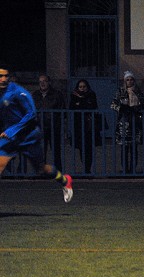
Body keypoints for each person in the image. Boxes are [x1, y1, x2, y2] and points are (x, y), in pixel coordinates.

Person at [0, 63, 73, 202]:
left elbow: (31, 114)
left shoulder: (20, 93)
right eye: (0, 76)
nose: (3, 79)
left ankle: (65, 180)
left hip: (28, 136)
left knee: (41, 170)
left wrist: (11, 130)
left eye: (5, 76)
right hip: (11, 138)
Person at [111, 71, 144, 173]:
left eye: (131, 79)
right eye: (127, 80)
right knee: (124, 148)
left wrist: (137, 108)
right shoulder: (120, 91)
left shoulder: (138, 91)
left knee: (134, 148)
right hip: (124, 122)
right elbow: (113, 104)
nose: (129, 81)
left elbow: (143, 102)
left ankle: (133, 169)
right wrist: (121, 109)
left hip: (136, 121)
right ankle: (125, 169)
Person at [32, 74, 66, 170]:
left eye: (45, 81)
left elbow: (62, 109)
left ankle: (58, 171)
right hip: (40, 127)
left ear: (49, 82)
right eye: (40, 81)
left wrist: (57, 120)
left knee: (56, 150)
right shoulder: (35, 95)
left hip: (53, 126)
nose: (42, 83)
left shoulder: (57, 94)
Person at [69, 79, 102, 174]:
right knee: (81, 147)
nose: (82, 89)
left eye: (84, 87)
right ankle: (85, 167)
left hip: (89, 125)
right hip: (79, 125)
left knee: (89, 147)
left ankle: (88, 168)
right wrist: (83, 103)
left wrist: (80, 103)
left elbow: (92, 106)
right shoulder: (74, 95)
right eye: (80, 87)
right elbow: (72, 106)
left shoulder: (91, 94)